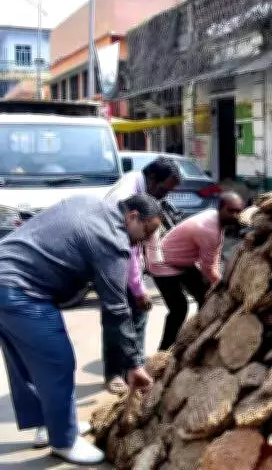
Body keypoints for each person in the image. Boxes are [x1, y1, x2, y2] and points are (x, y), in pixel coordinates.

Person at [0, 194, 160, 465]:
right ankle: (64, 440)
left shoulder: (90, 203)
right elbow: (116, 309)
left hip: (6, 275)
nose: (143, 241)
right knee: (58, 362)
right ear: (132, 217)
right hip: (20, 290)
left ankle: (49, 424)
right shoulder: (112, 240)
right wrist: (134, 363)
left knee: (27, 362)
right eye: (146, 232)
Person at [102, 155, 181, 394]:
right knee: (120, 315)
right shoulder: (126, 198)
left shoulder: (138, 186)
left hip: (120, 257)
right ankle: (117, 373)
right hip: (111, 258)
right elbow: (131, 249)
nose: (163, 196)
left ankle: (131, 367)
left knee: (134, 314)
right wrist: (138, 289)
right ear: (152, 177)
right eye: (163, 189)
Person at [145, 191, 244, 350]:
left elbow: (214, 253)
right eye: (231, 210)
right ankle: (165, 350)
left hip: (183, 262)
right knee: (179, 307)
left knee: (206, 296)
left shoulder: (215, 219)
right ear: (220, 208)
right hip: (162, 263)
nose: (235, 215)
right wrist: (226, 290)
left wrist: (216, 284)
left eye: (239, 211)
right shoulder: (208, 229)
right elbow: (208, 268)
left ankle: (198, 339)